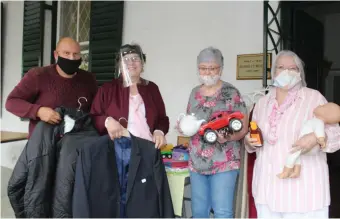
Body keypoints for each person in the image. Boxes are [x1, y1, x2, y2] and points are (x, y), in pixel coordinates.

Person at [244, 50, 340, 218]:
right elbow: (252, 139)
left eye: (292, 68)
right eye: (281, 67)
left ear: (300, 73)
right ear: (274, 73)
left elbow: (336, 135)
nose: (286, 72)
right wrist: (249, 141)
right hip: (267, 190)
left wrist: (316, 139)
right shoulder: (262, 103)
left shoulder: (313, 98)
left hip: (304, 192)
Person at [182, 47, 248, 218]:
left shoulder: (231, 92)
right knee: (198, 212)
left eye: (213, 68)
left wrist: (227, 137)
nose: (208, 72)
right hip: (197, 161)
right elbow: (190, 119)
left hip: (224, 162)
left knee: (222, 212)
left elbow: (243, 126)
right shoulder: (194, 93)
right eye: (203, 68)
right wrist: (183, 125)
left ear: (221, 68)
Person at [5, 37, 98, 137]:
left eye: (75, 54)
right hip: (43, 145)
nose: (71, 58)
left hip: (77, 144)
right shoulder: (38, 75)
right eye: (66, 53)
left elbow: (97, 109)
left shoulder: (88, 79)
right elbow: (11, 102)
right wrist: (38, 111)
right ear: (56, 55)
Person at [90, 44, 169, 148]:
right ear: (120, 65)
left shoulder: (152, 88)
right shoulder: (107, 89)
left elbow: (162, 118)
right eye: (125, 59)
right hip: (116, 151)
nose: (131, 62)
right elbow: (94, 117)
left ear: (142, 62)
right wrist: (107, 121)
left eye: (135, 58)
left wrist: (159, 131)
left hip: (148, 148)